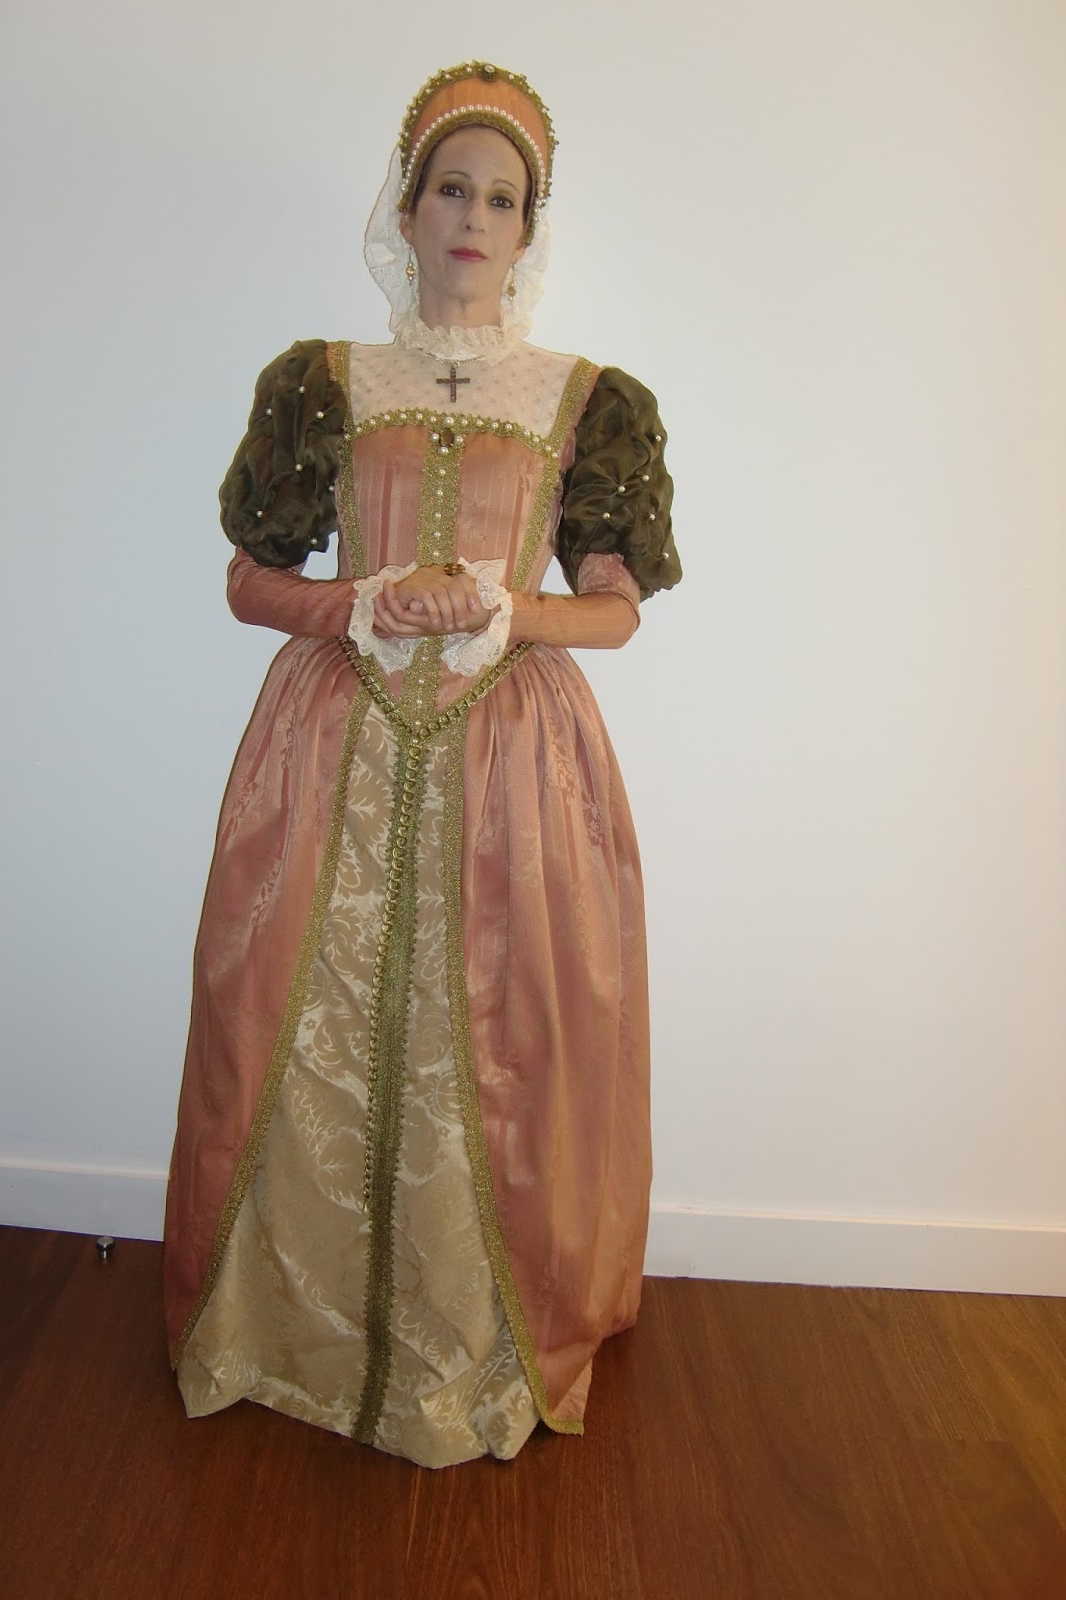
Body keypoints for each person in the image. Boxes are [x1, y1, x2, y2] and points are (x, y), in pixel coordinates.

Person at [161, 60, 682, 1469]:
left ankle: (483, 1335)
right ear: (408, 205)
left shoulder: (592, 400)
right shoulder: (319, 383)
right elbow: (250, 581)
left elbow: (617, 612)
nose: (474, 219)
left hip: (518, 757)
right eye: (452, 188)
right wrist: (363, 600)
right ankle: (285, 1328)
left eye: (504, 199)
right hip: (331, 742)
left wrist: (511, 612)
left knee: (512, 1032)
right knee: (289, 1012)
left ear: (530, 228)